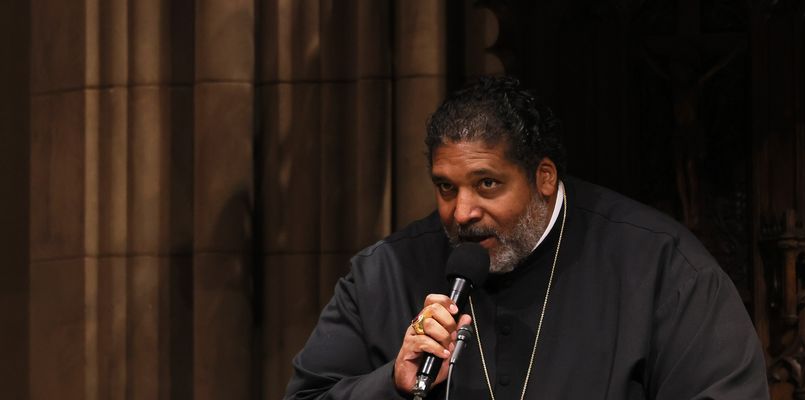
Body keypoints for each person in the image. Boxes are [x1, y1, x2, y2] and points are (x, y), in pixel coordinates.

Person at [284, 76, 768, 399]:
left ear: (543, 177)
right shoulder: (382, 274)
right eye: (445, 188)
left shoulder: (664, 268)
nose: (463, 212)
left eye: (487, 184)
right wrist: (389, 384)